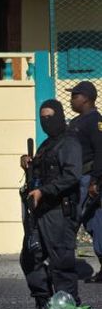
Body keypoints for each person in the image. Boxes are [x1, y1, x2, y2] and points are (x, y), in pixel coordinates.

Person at [20, 99, 82, 309]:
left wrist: (44, 191)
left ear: (59, 116)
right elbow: (40, 172)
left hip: (59, 211)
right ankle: (44, 301)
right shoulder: (47, 144)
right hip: (40, 211)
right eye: (43, 118)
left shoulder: (69, 143)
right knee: (30, 256)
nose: (46, 121)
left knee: (61, 261)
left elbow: (72, 176)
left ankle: (68, 307)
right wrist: (29, 163)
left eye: (50, 117)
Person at [66, 81, 102, 282]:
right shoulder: (79, 121)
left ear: (86, 98)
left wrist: (95, 181)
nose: (72, 100)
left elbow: (100, 152)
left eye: (74, 96)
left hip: (87, 179)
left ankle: (64, 269)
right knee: (94, 222)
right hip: (77, 179)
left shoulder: (95, 121)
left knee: (70, 219)